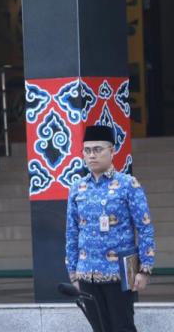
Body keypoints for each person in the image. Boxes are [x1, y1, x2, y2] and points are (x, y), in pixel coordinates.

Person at [65, 125, 156, 332]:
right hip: (87, 271)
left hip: (123, 271)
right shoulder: (77, 188)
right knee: (99, 328)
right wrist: (73, 272)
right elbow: (71, 232)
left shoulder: (128, 184)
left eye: (98, 150)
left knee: (122, 326)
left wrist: (144, 269)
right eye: (87, 150)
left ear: (112, 151)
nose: (92, 155)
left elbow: (145, 228)